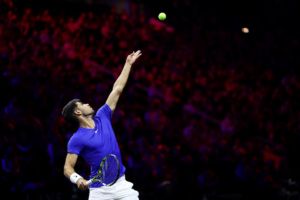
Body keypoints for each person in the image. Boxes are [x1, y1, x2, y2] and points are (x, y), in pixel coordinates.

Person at [62, 50, 142, 200]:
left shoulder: (102, 116)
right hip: (100, 192)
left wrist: (128, 64)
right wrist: (78, 179)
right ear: (78, 112)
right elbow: (67, 167)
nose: (87, 103)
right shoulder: (76, 139)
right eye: (83, 104)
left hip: (121, 185)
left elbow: (117, 89)